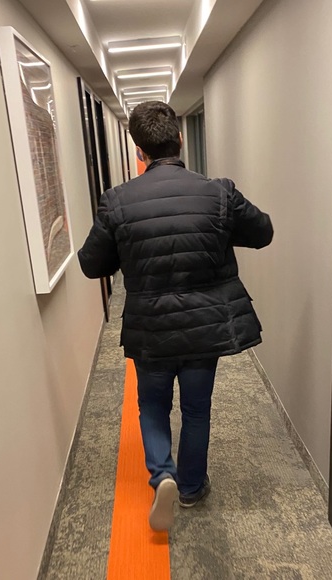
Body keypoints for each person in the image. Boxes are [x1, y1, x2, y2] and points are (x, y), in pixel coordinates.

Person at [78, 101, 273, 532]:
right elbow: (263, 232)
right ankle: (190, 487)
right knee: (197, 408)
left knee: (152, 405)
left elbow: (92, 265)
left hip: (150, 328)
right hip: (206, 326)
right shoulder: (219, 192)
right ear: (180, 140)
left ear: (138, 149)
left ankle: (162, 474)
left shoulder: (117, 201)